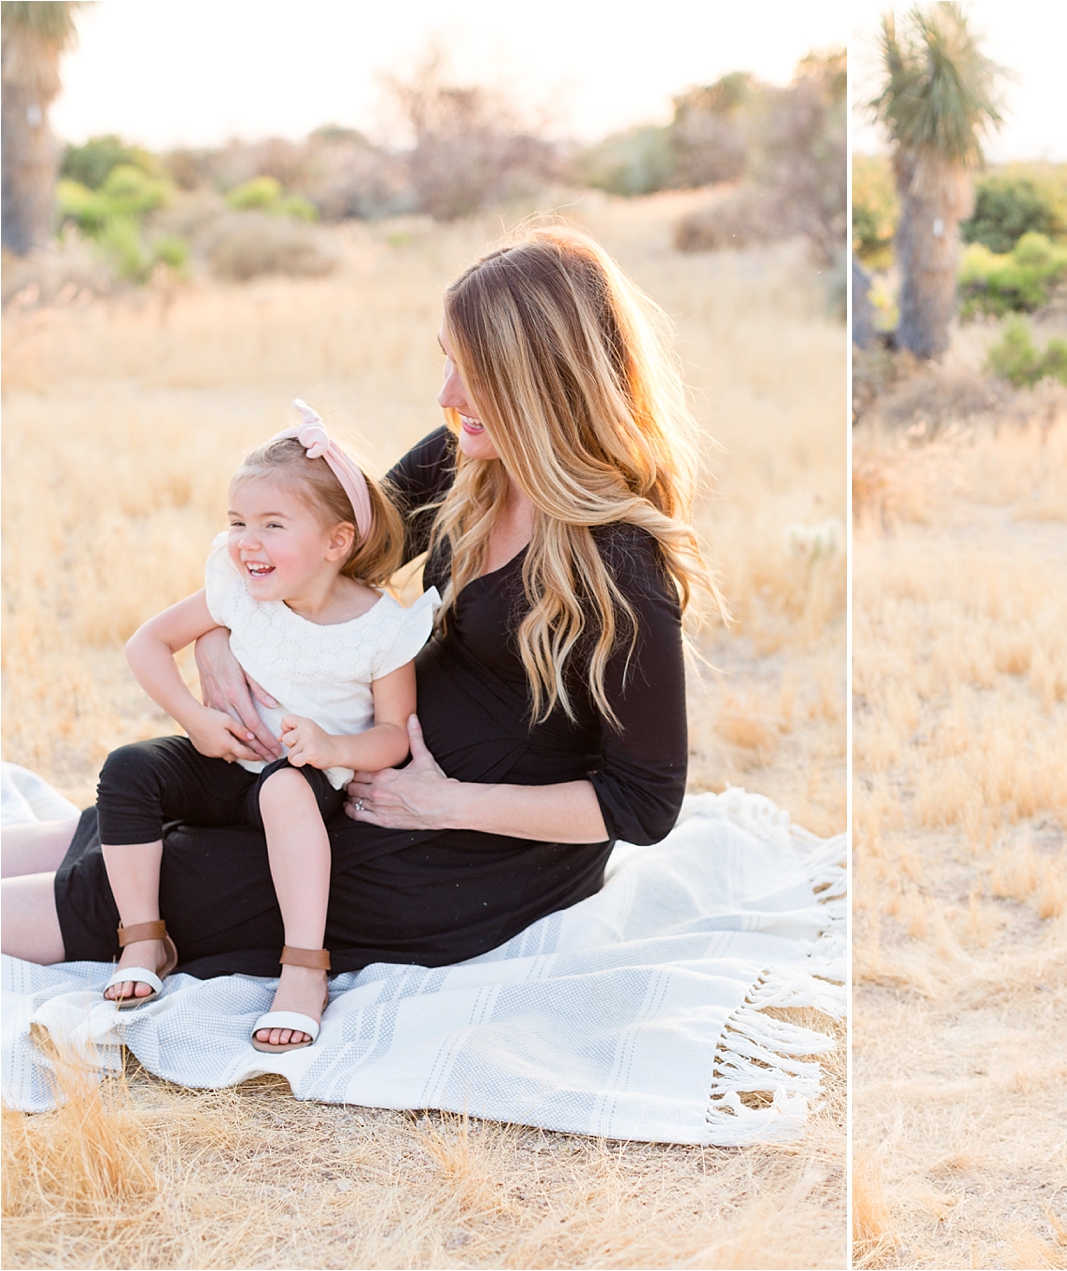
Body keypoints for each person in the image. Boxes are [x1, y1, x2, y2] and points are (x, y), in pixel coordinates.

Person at [1, 226, 720, 999]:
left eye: (473, 372)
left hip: (457, 857)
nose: (446, 394)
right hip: (352, 773)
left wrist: (443, 802)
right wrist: (217, 632)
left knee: (172, 877)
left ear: (541, 380)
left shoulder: (618, 564)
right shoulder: (463, 462)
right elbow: (318, 544)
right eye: (447, 359)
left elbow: (642, 805)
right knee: (134, 811)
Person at [93, 404, 436, 1053]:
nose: (247, 541)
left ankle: (304, 969)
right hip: (227, 756)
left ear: (336, 542)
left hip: (305, 779)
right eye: (237, 521)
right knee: (127, 770)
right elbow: (147, 644)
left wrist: (333, 746)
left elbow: (394, 733)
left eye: (272, 525)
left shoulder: (382, 628)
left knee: (282, 790)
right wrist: (196, 721)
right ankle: (143, 937)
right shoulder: (239, 588)